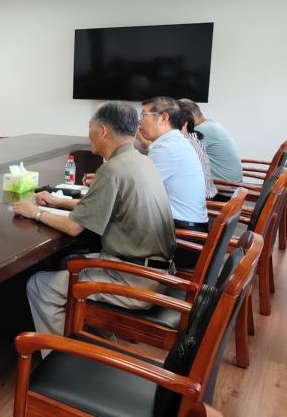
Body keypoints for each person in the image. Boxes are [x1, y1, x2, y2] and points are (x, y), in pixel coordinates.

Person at [13, 101, 175, 352]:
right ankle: (99, 343)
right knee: (69, 261)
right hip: (157, 270)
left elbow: (73, 228)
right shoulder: (141, 160)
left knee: (39, 285)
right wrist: (59, 201)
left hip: (134, 279)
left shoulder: (112, 170)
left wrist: (36, 212)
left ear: (103, 131)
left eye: (89, 127)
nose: (88, 133)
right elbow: (103, 205)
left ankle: (65, 358)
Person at [138, 97, 208, 232]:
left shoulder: (168, 149)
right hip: (182, 225)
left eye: (143, 115)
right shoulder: (175, 142)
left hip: (180, 233)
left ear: (164, 118)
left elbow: (134, 188)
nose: (139, 121)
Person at [178, 99, 243, 183]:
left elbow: (179, 155)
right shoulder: (211, 125)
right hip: (231, 184)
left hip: (223, 186)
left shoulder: (201, 130)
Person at [181, 109, 218, 200]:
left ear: (184, 124)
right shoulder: (195, 140)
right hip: (207, 196)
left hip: (200, 201)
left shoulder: (185, 144)